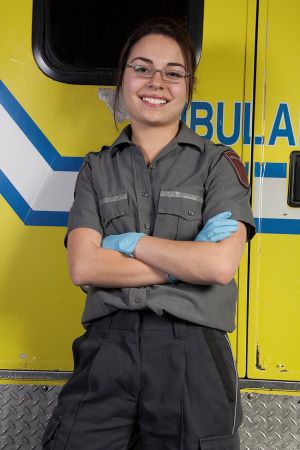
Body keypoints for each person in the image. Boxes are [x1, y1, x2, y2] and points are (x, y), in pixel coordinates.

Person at [42, 18, 255, 450]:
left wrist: (131, 244)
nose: (157, 81)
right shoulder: (96, 168)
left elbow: (216, 265)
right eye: (142, 68)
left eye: (173, 72)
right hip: (106, 347)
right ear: (122, 79)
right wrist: (184, 262)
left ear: (187, 87)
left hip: (193, 351)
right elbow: (84, 265)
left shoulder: (218, 165)